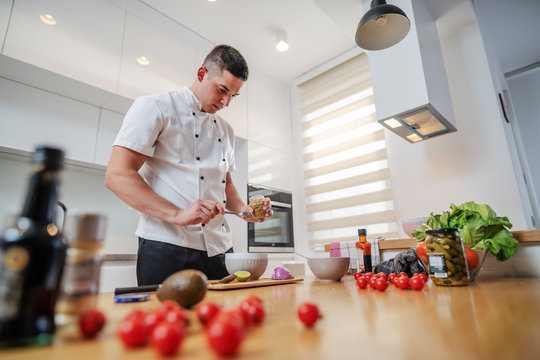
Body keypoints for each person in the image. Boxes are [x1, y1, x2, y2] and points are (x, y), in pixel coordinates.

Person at [105, 44, 272, 285]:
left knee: (223, 319)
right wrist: (177, 214)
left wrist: (248, 212)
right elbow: (118, 174)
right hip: (166, 247)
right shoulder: (156, 107)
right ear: (202, 74)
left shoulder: (226, 130)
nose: (226, 103)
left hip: (220, 252)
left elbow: (225, 187)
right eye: (222, 90)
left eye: (232, 96)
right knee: (167, 321)